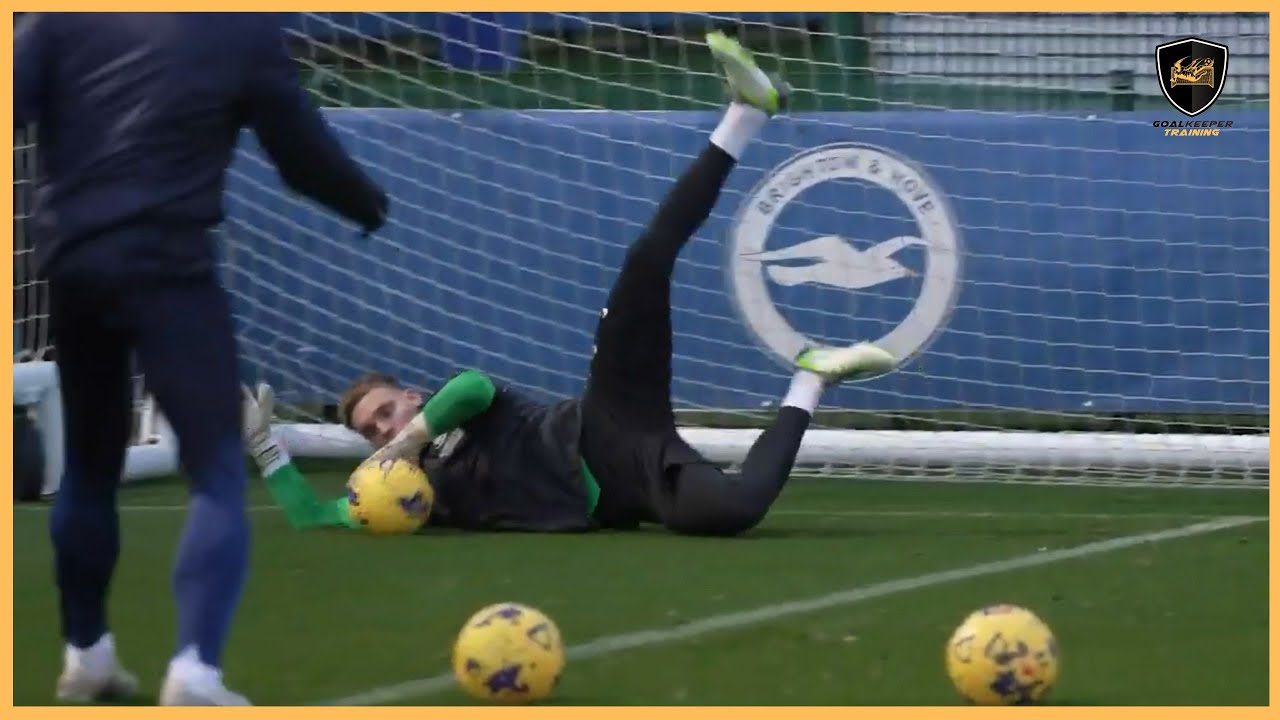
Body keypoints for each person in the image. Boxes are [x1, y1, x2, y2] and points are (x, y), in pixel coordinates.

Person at [241, 32, 895, 537]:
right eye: (373, 432)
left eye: (386, 412)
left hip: (604, 418)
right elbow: (317, 517)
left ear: (412, 398)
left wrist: (410, 440)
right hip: (625, 490)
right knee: (734, 511)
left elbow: (474, 384)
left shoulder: (452, 409)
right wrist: (266, 447)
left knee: (645, 261)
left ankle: (745, 115)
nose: (386, 430)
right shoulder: (413, 497)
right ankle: (810, 377)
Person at [15, 13, 389, 706]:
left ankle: (87, 653)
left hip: (73, 266)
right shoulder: (238, 29)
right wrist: (363, 200)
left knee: (90, 468)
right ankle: (195, 671)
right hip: (168, 267)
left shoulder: (60, 19)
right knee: (217, 469)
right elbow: (298, 151)